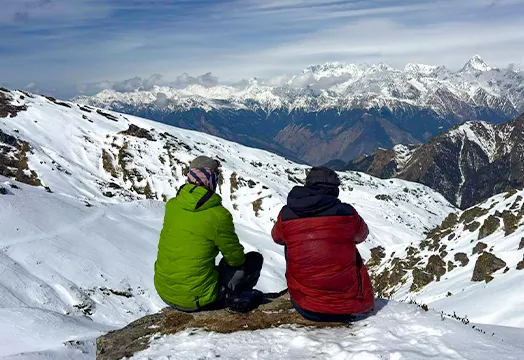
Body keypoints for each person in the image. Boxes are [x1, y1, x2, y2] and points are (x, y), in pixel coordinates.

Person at [154, 155, 264, 313]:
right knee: (253, 260)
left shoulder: (172, 205)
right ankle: (233, 296)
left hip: (164, 291)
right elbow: (236, 259)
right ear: (210, 180)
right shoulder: (218, 215)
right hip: (196, 299)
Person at [271, 166, 374, 322]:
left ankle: (308, 288)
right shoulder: (347, 213)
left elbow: (277, 237)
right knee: (348, 245)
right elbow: (362, 235)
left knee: (290, 240)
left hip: (305, 306)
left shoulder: (286, 214)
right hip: (345, 309)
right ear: (334, 190)